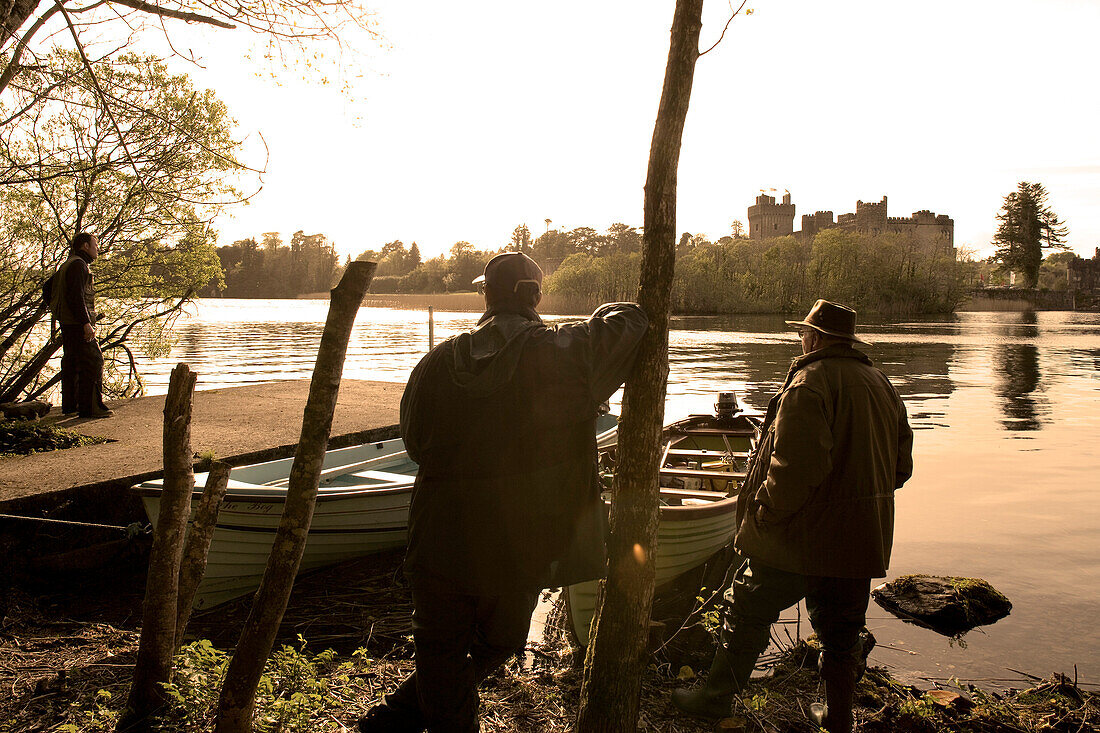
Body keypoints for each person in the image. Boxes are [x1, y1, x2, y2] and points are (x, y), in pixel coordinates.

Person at [358, 252, 648, 733]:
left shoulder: (436, 361)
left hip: (440, 532)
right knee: (498, 641)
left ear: (486, 297)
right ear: (534, 296)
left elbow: (413, 439)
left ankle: (392, 722)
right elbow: (631, 320)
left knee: (442, 648)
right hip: (518, 539)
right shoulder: (559, 354)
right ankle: (400, 721)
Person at [672, 299, 913, 733]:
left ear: (815, 338)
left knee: (746, 609)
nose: (800, 340)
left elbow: (796, 468)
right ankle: (839, 717)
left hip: (799, 536)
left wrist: (765, 514)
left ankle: (713, 699)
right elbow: (901, 468)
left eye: (803, 333)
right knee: (841, 634)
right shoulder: (882, 383)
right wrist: (858, 506)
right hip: (860, 539)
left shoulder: (809, 383)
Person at [49, 232, 112, 419]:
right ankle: (91, 408)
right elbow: (76, 297)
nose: (98, 248)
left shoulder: (68, 264)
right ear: (85, 246)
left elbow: (48, 289)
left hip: (68, 323)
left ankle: (71, 406)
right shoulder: (78, 265)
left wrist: (59, 312)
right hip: (77, 324)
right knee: (94, 361)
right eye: (95, 244)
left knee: (72, 362)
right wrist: (85, 323)